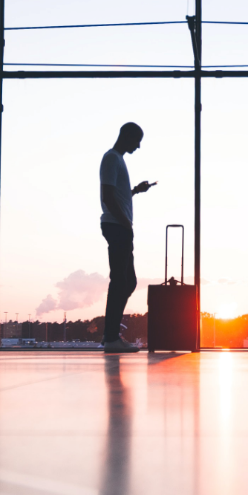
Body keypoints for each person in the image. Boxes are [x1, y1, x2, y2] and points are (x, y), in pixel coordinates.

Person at [99, 123, 155, 352]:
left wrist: (135, 191)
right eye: (137, 140)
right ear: (127, 136)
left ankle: (111, 335)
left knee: (127, 282)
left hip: (119, 226)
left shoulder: (117, 160)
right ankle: (111, 338)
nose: (138, 146)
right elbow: (108, 197)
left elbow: (117, 195)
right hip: (117, 226)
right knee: (120, 282)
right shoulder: (111, 158)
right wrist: (124, 223)